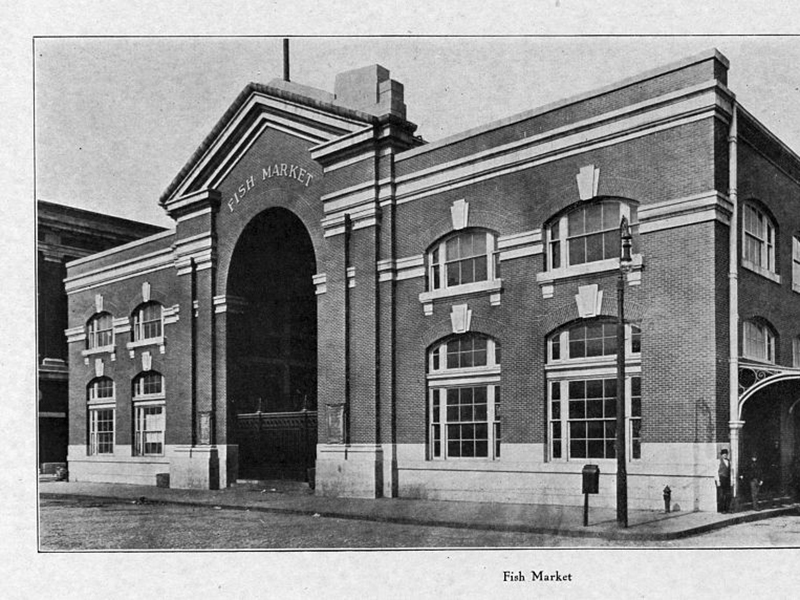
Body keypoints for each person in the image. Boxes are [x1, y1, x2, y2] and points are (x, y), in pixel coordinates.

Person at [715, 449, 732, 513]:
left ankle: (727, 508)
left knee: (728, 495)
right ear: (721, 455)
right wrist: (718, 481)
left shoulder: (729, 461)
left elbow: (731, 472)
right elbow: (716, 471)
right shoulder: (718, 461)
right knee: (722, 495)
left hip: (727, 479)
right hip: (721, 479)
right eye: (723, 454)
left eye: (726, 454)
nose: (725, 455)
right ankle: (722, 509)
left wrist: (732, 480)